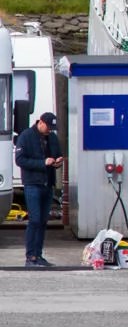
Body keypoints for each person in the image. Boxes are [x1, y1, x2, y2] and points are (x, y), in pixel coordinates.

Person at [14, 111, 63, 268]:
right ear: (40, 122)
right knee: (34, 220)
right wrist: (43, 163)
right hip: (32, 184)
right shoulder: (26, 136)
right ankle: (31, 257)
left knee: (42, 221)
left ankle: (39, 255)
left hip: (47, 184)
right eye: (48, 127)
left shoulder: (52, 138)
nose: (50, 130)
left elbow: (57, 154)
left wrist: (58, 162)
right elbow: (20, 160)